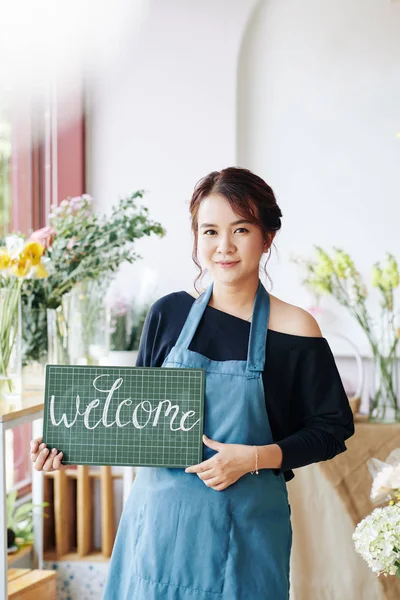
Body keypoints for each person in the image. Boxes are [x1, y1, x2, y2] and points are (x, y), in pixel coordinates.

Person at [30, 167, 355, 599]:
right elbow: (130, 424)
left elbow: (332, 428)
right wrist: (66, 448)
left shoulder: (296, 329)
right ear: (196, 237)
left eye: (240, 229)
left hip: (244, 537)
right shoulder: (169, 314)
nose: (224, 246)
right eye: (209, 231)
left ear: (267, 237)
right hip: (158, 532)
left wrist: (255, 457)